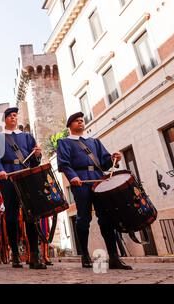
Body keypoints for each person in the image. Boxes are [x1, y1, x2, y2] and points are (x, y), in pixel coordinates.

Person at [56, 112, 132, 270]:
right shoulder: (64, 142)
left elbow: (104, 163)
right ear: (70, 125)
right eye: (77, 121)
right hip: (81, 181)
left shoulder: (95, 142)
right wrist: (73, 177)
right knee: (83, 218)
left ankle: (113, 257)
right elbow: (63, 163)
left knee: (106, 218)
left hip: (98, 179)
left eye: (82, 121)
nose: (81, 123)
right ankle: (84, 255)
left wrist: (113, 159)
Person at [0, 107, 47, 269]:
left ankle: (34, 255)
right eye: (11, 116)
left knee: (31, 215)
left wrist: (37, 155)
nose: (14, 118)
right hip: (8, 177)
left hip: (26, 178)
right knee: (12, 216)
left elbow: (34, 163)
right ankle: (14, 253)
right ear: (5, 119)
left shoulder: (27, 137)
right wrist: (0, 171)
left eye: (16, 115)